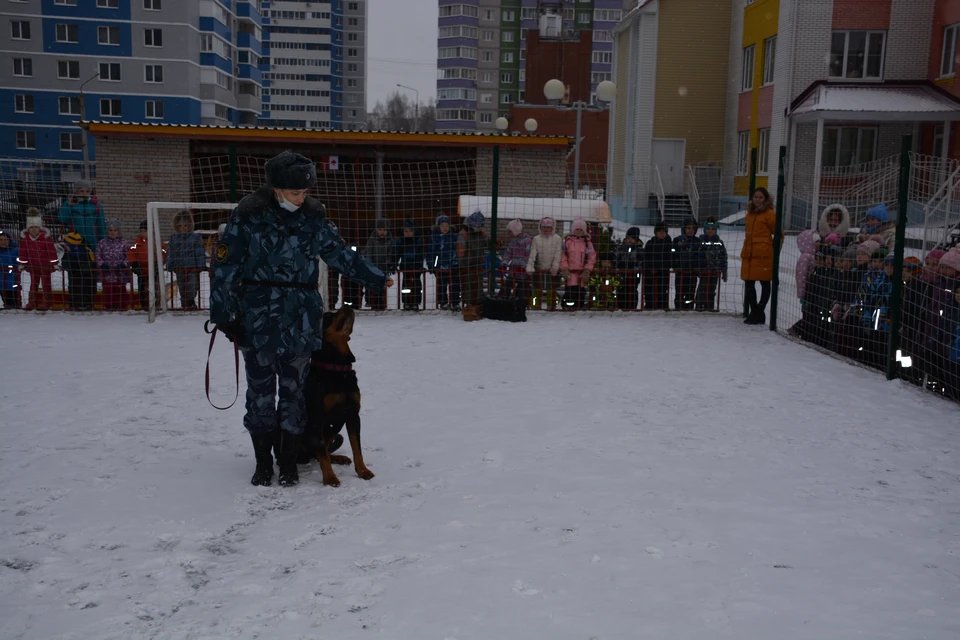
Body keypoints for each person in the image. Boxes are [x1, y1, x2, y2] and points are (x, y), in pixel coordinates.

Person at [210, 151, 393, 487]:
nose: (302, 197)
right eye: (295, 192)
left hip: (302, 319)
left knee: (296, 393)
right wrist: (225, 314)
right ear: (277, 188)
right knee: (261, 394)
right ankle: (264, 462)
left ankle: (290, 461)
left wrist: (377, 277)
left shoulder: (314, 219)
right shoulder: (248, 216)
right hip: (259, 316)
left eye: (305, 192)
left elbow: (339, 254)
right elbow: (225, 267)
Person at [741, 187, 777, 325]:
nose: (757, 199)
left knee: (764, 283)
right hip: (750, 254)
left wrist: (772, 250)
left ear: (765, 199)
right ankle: (755, 312)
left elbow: (779, 234)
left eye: (760, 197)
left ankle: (758, 311)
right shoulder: (749, 214)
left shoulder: (770, 214)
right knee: (749, 283)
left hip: (764, 255)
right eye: (755, 197)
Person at [166, 210, 207, 310]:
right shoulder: (174, 238)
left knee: (192, 286)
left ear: (189, 225)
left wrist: (200, 264)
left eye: (185, 225)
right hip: (179, 267)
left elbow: (199, 252)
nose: (182, 228)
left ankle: (190, 302)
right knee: (182, 287)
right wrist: (170, 264)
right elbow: (171, 253)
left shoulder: (195, 237)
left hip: (192, 267)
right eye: (180, 226)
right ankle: (185, 305)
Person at [19, 211, 59, 311]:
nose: (33, 230)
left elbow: (51, 252)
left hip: (45, 266)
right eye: (31, 227)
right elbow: (23, 253)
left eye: (36, 227)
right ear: (28, 229)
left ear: (40, 228)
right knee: (33, 284)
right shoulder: (25, 240)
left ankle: (46, 302)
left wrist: (54, 264)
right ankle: (32, 301)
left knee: (46, 284)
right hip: (33, 266)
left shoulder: (46, 239)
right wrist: (22, 264)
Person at [128, 220, 167, 311]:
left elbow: (163, 252)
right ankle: (144, 305)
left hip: (154, 270)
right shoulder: (137, 243)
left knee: (154, 288)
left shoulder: (156, 242)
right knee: (142, 289)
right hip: (141, 271)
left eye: (145, 231)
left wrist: (159, 262)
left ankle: (155, 305)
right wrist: (134, 263)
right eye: (141, 231)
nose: (143, 233)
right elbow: (131, 252)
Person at [526, 216, 563, 310]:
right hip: (539, 269)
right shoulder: (536, 239)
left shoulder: (557, 239)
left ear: (553, 228)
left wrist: (555, 267)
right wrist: (530, 266)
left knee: (552, 289)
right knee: (537, 289)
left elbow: (558, 254)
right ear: (540, 227)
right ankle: (535, 305)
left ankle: (552, 306)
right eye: (544, 227)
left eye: (549, 227)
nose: (546, 229)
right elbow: (532, 253)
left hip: (551, 270)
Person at [560, 218, 596, 310]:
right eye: (577, 229)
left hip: (582, 274)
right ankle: (568, 307)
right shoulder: (567, 243)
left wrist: (587, 270)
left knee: (581, 292)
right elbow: (563, 256)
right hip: (570, 273)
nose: (579, 231)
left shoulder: (588, 244)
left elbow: (591, 257)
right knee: (570, 292)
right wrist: (565, 269)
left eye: (581, 229)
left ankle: (579, 308)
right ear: (573, 230)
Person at [58, 180, 107, 246]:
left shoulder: (96, 205)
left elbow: (101, 225)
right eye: (81, 191)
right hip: (75, 240)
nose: (85, 193)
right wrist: (68, 205)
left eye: (87, 191)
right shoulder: (70, 203)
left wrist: (103, 241)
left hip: (92, 241)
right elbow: (62, 219)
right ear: (76, 191)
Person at [96, 219, 131, 310]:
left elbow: (129, 255)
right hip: (106, 273)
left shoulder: (124, 243)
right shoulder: (102, 243)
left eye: (115, 230)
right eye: (110, 230)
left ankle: (122, 306)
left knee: (120, 290)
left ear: (118, 231)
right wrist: (103, 265)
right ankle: (108, 306)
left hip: (120, 273)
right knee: (108, 291)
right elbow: (98, 255)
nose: (112, 232)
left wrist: (122, 265)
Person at [457, 210, 487, 315]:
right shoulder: (463, 235)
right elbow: (460, 252)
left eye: (481, 227)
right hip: (467, 265)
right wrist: (462, 266)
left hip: (477, 263)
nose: (479, 229)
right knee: (468, 285)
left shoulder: (481, 233)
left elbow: (487, 240)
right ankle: (469, 305)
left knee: (478, 284)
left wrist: (495, 242)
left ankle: (478, 304)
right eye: (478, 226)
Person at [428, 213, 460, 310]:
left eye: (447, 226)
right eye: (442, 226)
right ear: (438, 227)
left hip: (453, 264)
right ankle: (443, 302)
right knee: (441, 285)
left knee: (455, 285)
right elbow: (430, 252)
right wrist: (432, 265)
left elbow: (459, 248)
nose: (445, 228)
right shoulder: (434, 238)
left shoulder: (454, 237)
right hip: (440, 266)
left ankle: (455, 302)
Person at [362, 219, 395, 311]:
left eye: (384, 230)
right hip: (373, 266)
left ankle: (381, 302)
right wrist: (370, 265)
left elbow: (391, 253)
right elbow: (368, 252)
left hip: (384, 266)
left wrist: (389, 264)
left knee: (382, 285)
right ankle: (370, 301)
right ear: (376, 230)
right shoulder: (372, 240)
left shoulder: (390, 241)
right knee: (371, 284)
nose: (382, 232)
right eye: (380, 229)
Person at [696, 218, 727, 312]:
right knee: (702, 287)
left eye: (712, 229)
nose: (710, 231)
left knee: (712, 289)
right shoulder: (700, 241)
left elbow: (723, 257)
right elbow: (697, 255)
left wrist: (724, 271)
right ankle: (699, 305)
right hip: (704, 270)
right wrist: (698, 266)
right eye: (708, 228)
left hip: (715, 270)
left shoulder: (719, 242)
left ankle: (710, 306)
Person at [61, 231, 97, 310]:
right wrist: (69, 267)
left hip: (85, 276)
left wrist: (80, 269)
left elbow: (91, 263)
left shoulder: (86, 251)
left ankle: (86, 304)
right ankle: (74, 304)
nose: (65, 247)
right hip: (73, 275)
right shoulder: (68, 252)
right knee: (73, 289)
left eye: (67, 245)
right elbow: (64, 262)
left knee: (85, 289)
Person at [396, 218, 425, 310]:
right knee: (406, 284)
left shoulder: (418, 240)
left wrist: (420, 264)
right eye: (405, 231)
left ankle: (416, 302)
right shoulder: (400, 241)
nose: (408, 233)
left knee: (417, 283)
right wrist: (394, 263)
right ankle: (406, 302)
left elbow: (421, 253)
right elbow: (396, 253)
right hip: (405, 265)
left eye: (410, 231)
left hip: (416, 265)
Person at [672, 217, 701, 311]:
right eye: (688, 228)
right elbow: (673, 254)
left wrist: (697, 267)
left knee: (690, 293)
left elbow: (700, 256)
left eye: (692, 228)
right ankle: (678, 308)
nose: (690, 230)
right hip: (680, 273)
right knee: (679, 292)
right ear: (684, 229)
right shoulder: (677, 241)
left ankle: (689, 308)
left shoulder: (697, 241)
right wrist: (676, 266)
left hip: (692, 273)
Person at [500, 218, 532, 301]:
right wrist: (504, 264)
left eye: (510, 231)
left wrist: (523, 266)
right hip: (513, 269)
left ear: (515, 231)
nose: (509, 233)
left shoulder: (527, 241)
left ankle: (520, 304)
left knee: (521, 290)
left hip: (523, 271)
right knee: (506, 287)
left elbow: (528, 255)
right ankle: (505, 302)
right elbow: (508, 254)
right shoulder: (513, 242)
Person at [643, 221, 673, 310]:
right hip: (650, 272)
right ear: (656, 232)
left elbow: (670, 258)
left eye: (664, 231)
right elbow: (646, 257)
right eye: (660, 231)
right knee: (649, 290)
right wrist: (651, 268)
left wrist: (660, 268)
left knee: (662, 290)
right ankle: (649, 305)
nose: (662, 233)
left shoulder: (669, 244)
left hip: (663, 273)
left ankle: (662, 306)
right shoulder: (650, 243)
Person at [614, 227, 643, 311]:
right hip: (622, 274)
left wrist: (636, 268)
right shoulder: (621, 248)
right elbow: (615, 258)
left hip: (634, 275)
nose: (630, 240)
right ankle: (621, 307)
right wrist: (618, 267)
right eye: (628, 238)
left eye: (632, 238)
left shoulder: (639, 249)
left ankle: (632, 307)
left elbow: (642, 262)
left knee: (632, 290)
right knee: (621, 290)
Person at [0, 230, 20, 309]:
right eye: (1, 240)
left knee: (12, 300)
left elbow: (19, 262)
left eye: (5, 240)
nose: (3, 242)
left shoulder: (15, 251)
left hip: (11, 280)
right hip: (1, 281)